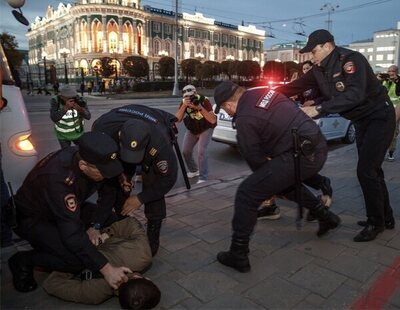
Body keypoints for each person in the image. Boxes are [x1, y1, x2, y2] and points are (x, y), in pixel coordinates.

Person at [275, 29, 396, 242]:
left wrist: (318, 109)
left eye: (313, 51)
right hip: (361, 121)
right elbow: (294, 86)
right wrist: (264, 94)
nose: (311, 57)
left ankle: (375, 222)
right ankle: (386, 217)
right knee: (373, 171)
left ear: (327, 46)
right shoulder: (318, 70)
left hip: (379, 116)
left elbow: (354, 95)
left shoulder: (350, 60)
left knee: (366, 171)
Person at [213, 81, 341, 273]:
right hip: (316, 145)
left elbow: (256, 162)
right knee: (282, 182)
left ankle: (238, 253)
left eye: (226, 110)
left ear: (228, 105)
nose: (229, 113)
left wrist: (268, 183)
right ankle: (326, 216)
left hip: (300, 155)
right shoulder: (266, 92)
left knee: (247, 193)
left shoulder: (244, 118)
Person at [7, 132, 130, 293]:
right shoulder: (58, 178)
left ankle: (72, 250)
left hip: (61, 210)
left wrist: (95, 226)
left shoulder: (93, 158)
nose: (107, 175)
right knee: (76, 260)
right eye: (103, 172)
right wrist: (107, 270)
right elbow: (72, 235)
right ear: (83, 166)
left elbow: (108, 194)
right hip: (32, 217)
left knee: (110, 219)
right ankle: (23, 260)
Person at [92, 104, 179, 256]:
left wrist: (140, 198)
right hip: (119, 138)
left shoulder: (160, 142)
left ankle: (152, 238)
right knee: (113, 182)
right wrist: (123, 177)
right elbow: (108, 178)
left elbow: (168, 179)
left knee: (153, 187)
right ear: (119, 136)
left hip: (155, 125)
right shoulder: (102, 130)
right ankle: (120, 221)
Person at [42, 217, 160, 308]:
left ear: (145, 279)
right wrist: (105, 234)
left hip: (68, 234)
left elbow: (52, 284)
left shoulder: (143, 256)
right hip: (88, 227)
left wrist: (76, 262)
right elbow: (51, 284)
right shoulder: (95, 294)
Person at [174, 85, 217, 183]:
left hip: (206, 127)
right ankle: (194, 170)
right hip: (193, 128)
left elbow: (213, 120)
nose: (189, 98)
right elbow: (177, 119)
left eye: (191, 96)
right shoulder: (184, 102)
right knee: (186, 151)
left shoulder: (204, 100)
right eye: (186, 97)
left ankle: (203, 177)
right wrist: (184, 105)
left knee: (201, 151)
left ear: (195, 93)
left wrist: (200, 107)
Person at [50, 84, 91, 149]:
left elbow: (88, 117)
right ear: (61, 96)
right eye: (68, 97)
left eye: (73, 97)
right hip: (62, 135)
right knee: (66, 153)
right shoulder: (56, 101)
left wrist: (80, 110)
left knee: (82, 152)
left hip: (79, 134)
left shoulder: (80, 100)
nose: (72, 99)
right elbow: (54, 118)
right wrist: (65, 108)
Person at [378, 65, 400, 161]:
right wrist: (379, 80)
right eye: (389, 71)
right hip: (385, 107)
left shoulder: (398, 80)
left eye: (392, 71)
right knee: (381, 130)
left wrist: (396, 81)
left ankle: (391, 152)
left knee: (393, 130)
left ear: (396, 72)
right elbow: (379, 91)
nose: (390, 73)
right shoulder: (386, 80)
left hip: (397, 107)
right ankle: (380, 151)